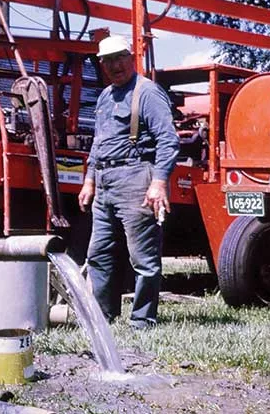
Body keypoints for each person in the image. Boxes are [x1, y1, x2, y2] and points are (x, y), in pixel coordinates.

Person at [78, 35, 179, 329]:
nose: (115, 65)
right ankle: (102, 318)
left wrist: (159, 183)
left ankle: (142, 321)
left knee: (143, 258)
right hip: (105, 181)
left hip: (136, 178)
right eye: (108, 60)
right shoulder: (105, 96)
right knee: (98, 254)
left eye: (120, 57)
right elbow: (98, 144)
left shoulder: (147, 93)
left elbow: (168, 141)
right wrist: (89, 181)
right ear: (101, 64)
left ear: (132, 57)